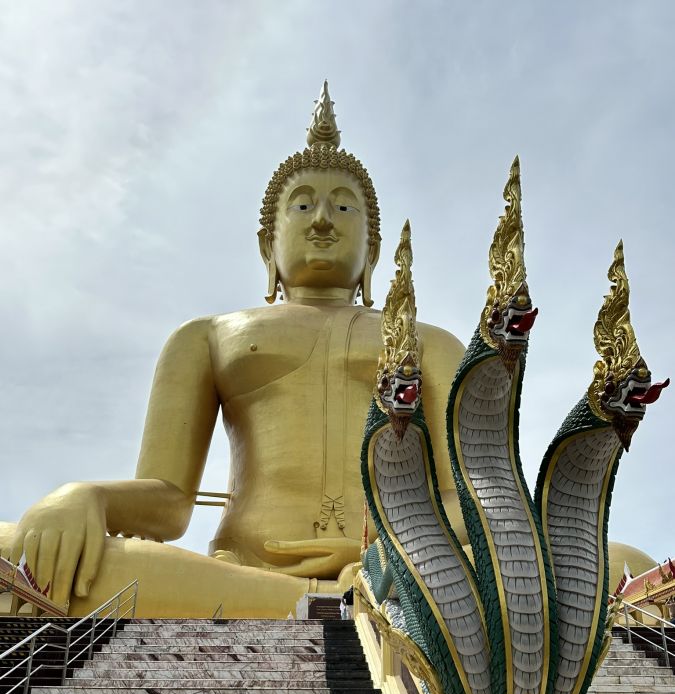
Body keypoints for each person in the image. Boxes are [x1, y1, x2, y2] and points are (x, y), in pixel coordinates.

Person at [0, 83, 653, 618]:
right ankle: (318, 606)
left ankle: (340, 602)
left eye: (343, 209)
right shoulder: (206, 336)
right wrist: (82, 497)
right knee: (19, 550)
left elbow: (480, 497)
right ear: (268, 245)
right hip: (237, 573)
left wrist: (402, 552)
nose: (320, 219)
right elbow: (169, 503)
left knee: (625, 567)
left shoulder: (431, 342)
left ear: (372, 253)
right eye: (302, 205)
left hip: (407, 578)